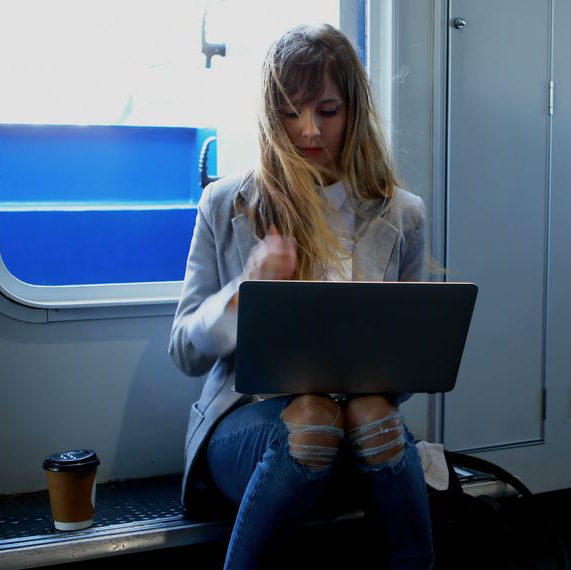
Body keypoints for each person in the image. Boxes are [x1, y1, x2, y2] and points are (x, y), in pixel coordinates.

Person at [169, 24, 433, 569]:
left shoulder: (403, 214)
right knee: (314, 415)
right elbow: (184, 351)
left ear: (353, 111)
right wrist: (245, 291)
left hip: (360, 428)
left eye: (327, 111)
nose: (308, 131)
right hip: (248, 424)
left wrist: (378, 377)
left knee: (373, 412)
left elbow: (408, 369)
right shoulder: (225, 203)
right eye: (290, 112)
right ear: (271, 115)